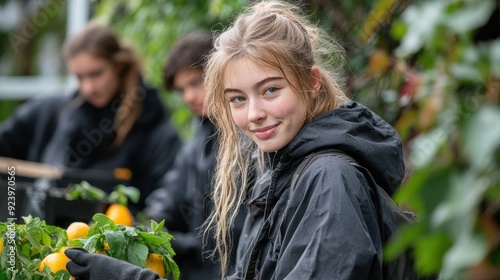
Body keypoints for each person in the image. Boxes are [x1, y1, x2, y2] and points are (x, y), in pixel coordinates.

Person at [64, 1, 403, 279]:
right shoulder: (281, 169)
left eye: (270, 89)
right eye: (237, 99)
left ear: (312, 82)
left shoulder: (330, 178)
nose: (253, 113)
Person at [0, 22, 182, 214]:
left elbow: (166, 204)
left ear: (118, 66)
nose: (88, 88)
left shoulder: (154, 128)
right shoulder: (54, 109)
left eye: (96, 74)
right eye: (79, 77)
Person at [143, 31, 245, 279]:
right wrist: (149, 226)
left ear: (220, 72)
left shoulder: (248, 132)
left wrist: (188, 245)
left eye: (196, 83)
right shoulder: (200, 134)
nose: (189, 96)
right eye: (181, 89)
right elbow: (171, 192)